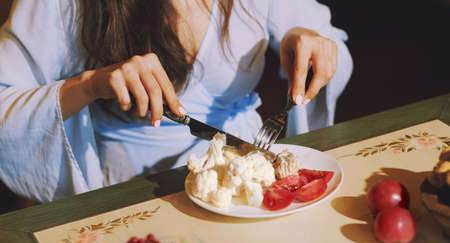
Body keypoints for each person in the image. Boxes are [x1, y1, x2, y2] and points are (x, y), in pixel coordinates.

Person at [0, 0, 352, 203]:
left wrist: (305, 39)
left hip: (249, 189)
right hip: (134, 197)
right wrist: (91, 84)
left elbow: (326, 38)